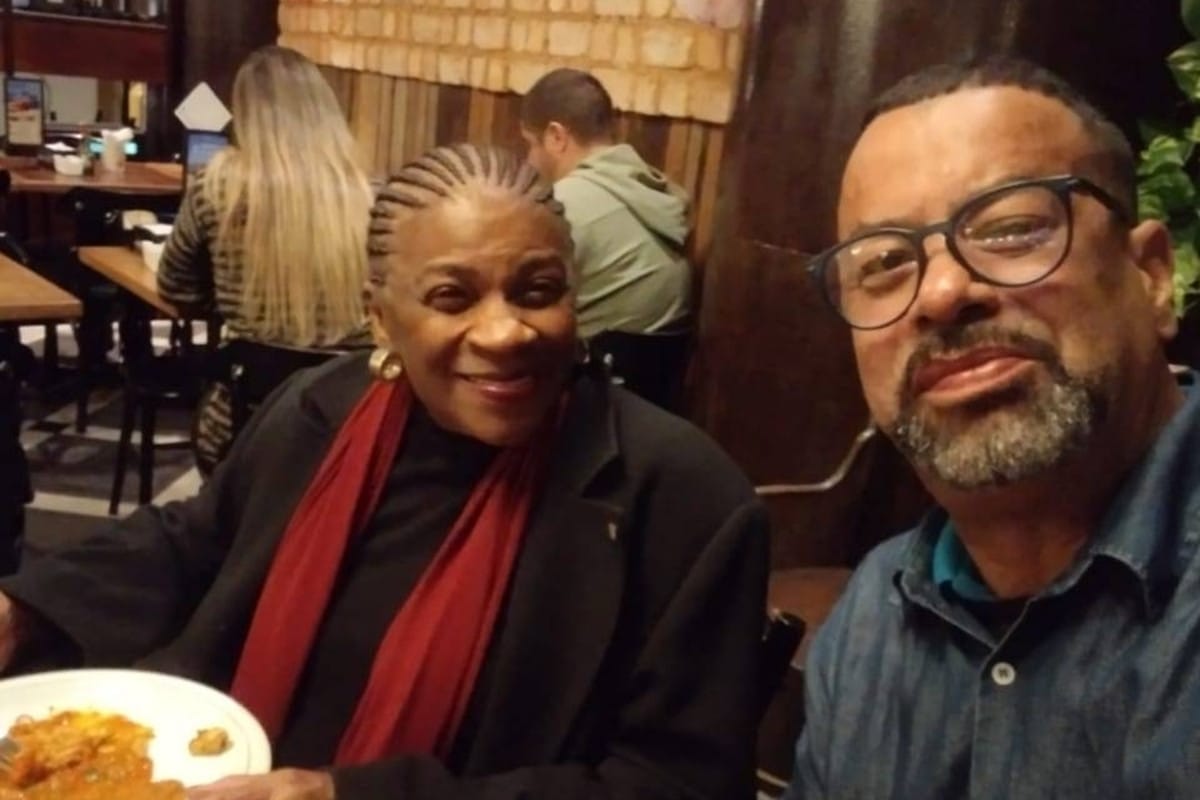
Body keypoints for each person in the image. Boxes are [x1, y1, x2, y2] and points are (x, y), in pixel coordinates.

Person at [0, 144, 769, 800]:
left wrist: (343, 794)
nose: (504, 331)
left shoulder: (684, 501)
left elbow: (676, 784)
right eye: (452, 297)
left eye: (537, 291)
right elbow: (196, 540)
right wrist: (27, 608)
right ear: (380, 317)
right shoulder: (322, 408)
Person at [785, 56, 1200, 798]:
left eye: (1010, 230)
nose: (942, 293)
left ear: (1152, 275)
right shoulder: (873, 617)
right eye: (884, 264)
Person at [157, 45, 374, 474]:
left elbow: (174, 285)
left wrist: (229, 300)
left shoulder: (216, 186)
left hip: (242, 425)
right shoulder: (368, 195)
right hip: (347, 428)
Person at [520, 68, 694, 408]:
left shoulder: (564, 205)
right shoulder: (655, 191)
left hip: (584, 396)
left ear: (556, 136)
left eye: (530, 144)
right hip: (652, 397)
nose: (529, 159)